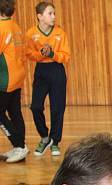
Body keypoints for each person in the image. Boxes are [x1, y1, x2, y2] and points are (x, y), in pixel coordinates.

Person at [25, 1, 68, 158]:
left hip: (57, 71)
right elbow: (29, 54)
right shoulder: (31, 33)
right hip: (41, 71)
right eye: (50, 13)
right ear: (39, 16)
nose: (53, 17)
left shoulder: (60, 33)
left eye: (54, 13)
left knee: (57, 108)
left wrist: (52, 54)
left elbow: (66, 56)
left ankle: (55, 141)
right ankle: (45, 136)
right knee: (36, 106)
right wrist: (41, 54)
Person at [0, 0, 27, 164]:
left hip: (5, 78)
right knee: (15, 112)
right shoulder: (14, 26)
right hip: (17, 75)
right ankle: (20, 147)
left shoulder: (1, 28)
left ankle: (19, 145)